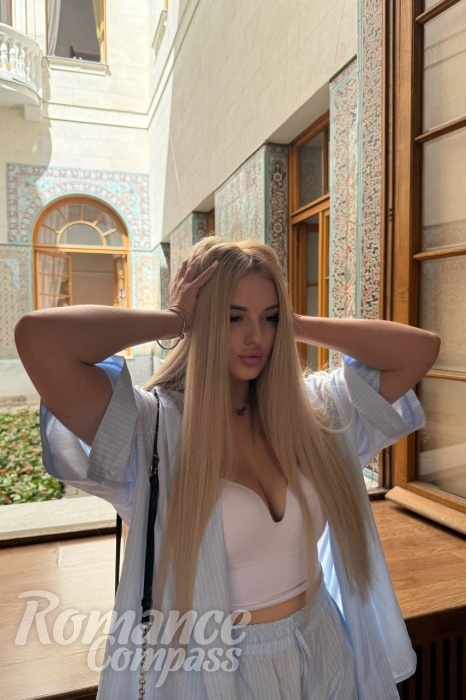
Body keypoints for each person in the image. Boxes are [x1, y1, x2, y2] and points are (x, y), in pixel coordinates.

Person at [15, 237, 440, 700]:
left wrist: (293, 323)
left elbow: (418, 350)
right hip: (216, 670)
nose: (255, 337)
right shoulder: (152, 429)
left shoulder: (312, 413)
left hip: (322, 646)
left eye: (268, 318)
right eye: (233, 317)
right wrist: (176, 319)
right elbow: (41, 338)